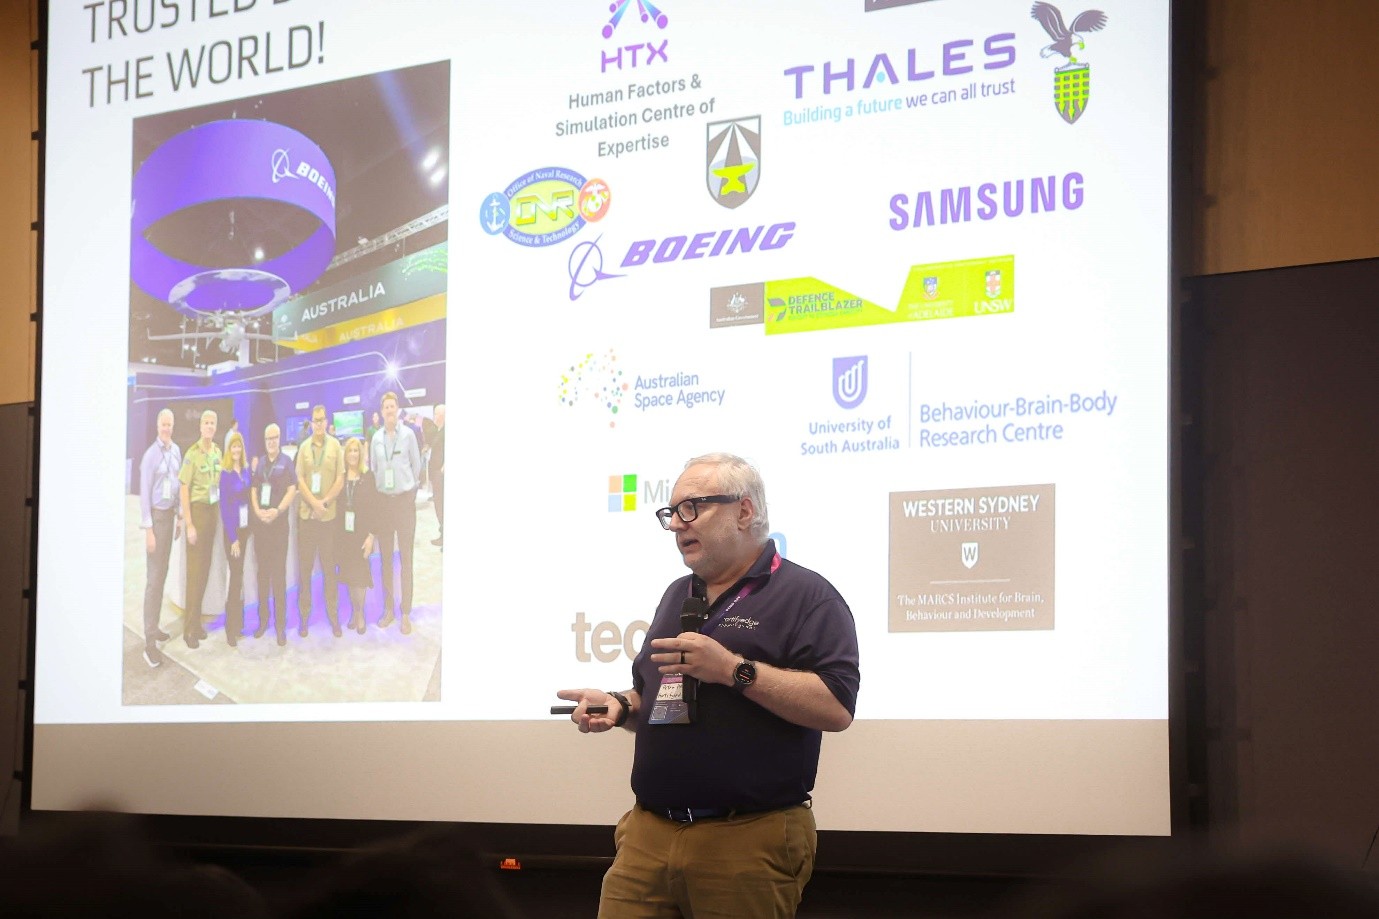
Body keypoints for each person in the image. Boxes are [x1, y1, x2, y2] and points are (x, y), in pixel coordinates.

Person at [557, 453, 860, 919]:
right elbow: (657, 697)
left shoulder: (808, 596)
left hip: (746, 839)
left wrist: (735, 671)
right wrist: (619, 705)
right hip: (648, 835)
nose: (678, 525)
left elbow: (837, 707)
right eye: (672, 512)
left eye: (692, 508)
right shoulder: (679, 594)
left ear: (744, 511)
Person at [369, 391, 423, 634]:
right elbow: (373, 467)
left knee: (406, 558)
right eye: (386, 407)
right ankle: (389, 608)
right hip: (383, 505)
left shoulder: (409, 435)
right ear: (381, 412)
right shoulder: (376, 439)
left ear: (398, 410)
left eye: (393, 406)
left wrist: (409, 493)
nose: (389, 411)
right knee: (386, 559)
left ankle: (405, 613)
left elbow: (417, 465)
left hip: (403, 503)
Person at [296, 404, 345, 638]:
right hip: (307, 518)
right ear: (311, 422)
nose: (319, 424)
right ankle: (304, 617)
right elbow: (300, 479)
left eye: (322, 420)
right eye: (315, 420)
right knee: (304, 570)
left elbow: (340, 479)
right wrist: (313, 504)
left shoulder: (336, 446)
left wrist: (323, 503)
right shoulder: (304, 448)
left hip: (328, 519)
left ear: (327, 422)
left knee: (329, 569)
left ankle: (333, 617)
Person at [137, 408, 181, 667]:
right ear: (157, 425)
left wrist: (180, 516)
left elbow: (175, 485)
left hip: (170, 518)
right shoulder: (150, 456)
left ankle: (154, 627)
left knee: (162, 575)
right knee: (153, 581)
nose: (166, 428)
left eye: (170, 424)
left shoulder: (175, 451)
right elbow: (144, 494)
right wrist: (149, 530)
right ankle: (149, 642)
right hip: (156, 519)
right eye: (163, 424)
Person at [178, 410, 222, 650]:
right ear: (200, 426)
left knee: (204, 572)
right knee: (194, 575)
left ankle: (197, 625)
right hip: (197, 513)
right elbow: (184, 488)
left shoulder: (217, 452)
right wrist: (189, 524)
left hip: (212, 514)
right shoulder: (191, 454)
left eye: (212, 423)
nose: (209, 426)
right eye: (205, 422)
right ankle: (188, 630)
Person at [251, 422, 297, 645]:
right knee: (263, 576)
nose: (271, 442)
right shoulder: (260, 464)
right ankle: (263, 621)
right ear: (264, 440)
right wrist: (258, 511)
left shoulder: (286, 463)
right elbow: (253, 488)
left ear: (279, 439)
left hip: (279, 527)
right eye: (268, 438)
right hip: (262, 528)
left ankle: (280, 626)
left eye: (275, 438)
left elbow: (292, 489)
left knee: (279, 577)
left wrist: (277, 511)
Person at [336, 436, 378, 634]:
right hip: (345, 535)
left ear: (360, 454)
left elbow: (373, 507)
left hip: (362, 534)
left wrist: (371, 536)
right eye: (350, 451)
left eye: (356, 451)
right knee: (350, 576)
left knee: (360, 576)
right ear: (345, 455)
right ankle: (354, 611)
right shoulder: (341, 478)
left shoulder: (367, 476)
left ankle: (360, 613)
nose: (353, 454)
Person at [218, 431, 252, 647]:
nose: (237, 450)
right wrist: (233, 539)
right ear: (229, 450)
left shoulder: (246, 470)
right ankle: (230, 629)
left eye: (239, 446)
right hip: (232, 534)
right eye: (233, 447)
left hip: (245, 530)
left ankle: (239, 625)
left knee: (239, 578)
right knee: (234, 579)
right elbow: (224, 507)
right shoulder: (226, 473)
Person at [428, 404, 445, 548]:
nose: (434, 416)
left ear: (442, 415)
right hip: (436, 475)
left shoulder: (446, 431)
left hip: (441, 476)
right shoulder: (438, 431)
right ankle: (442, 534)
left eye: (435, 414)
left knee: (441, 506)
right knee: (438, 506)